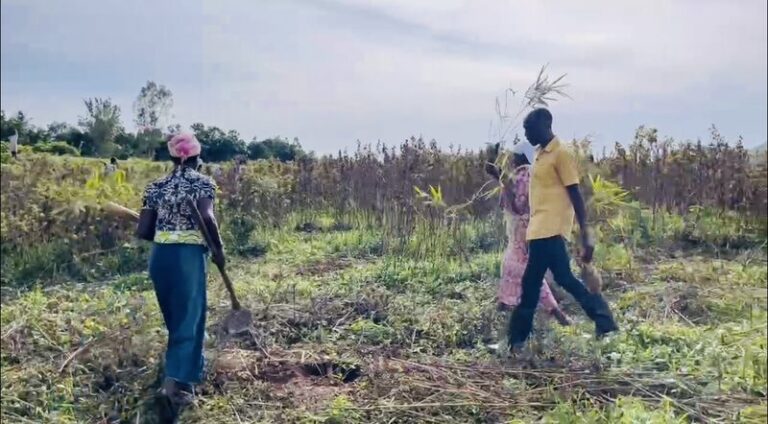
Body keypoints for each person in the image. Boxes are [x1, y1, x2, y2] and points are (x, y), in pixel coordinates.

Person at [507, 108, 617, 350]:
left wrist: (586, 233)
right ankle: (605, 323)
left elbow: (575, 194)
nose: (526, 134)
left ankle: (516, 341)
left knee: (533, 284)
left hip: (551, 230)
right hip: (538, 230)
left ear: (545, 125)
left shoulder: (561, 154)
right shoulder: (539, 155)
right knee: (559, 279)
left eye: (529, 129)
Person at [135, 132, 226, 407]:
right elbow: (207, 217)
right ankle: (177, 386)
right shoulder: (202, 182)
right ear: (198, 158)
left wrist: (166, 225)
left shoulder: (156, 186)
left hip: (160, 256)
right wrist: (219, 249)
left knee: (176, 319)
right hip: (187, 257)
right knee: (189, 320)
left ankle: (181, 371)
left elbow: (144, 230)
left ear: (172, 158)